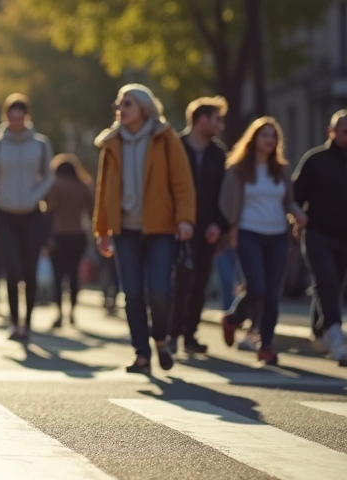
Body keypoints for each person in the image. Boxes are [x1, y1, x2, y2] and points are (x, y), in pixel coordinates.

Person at [94, 84, 195, 374]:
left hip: (160, 228)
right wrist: (102, 229)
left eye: (127, 104)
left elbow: (182, 182)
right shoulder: (111, 143)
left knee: (160, 292)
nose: (120, 109)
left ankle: (160, 340)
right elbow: (104, 191)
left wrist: (185, 218)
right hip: (124, 230)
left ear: (144, 107)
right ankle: (142, 354)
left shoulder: (165, 139)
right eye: (119, 104)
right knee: (133, 294)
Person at [219, 117, 307, 366]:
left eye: (273, 136)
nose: (269, 140)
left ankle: (265, 345)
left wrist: (298, 213)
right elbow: (227, 201)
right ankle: (233, 319)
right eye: (264, 135)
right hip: (248, 232)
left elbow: (288, 200)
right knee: (257, 287)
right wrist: (232, 228)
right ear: (254, 138)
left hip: (277, 234)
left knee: (272, 293)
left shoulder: (281, 168)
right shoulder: (239, 169)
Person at [0, 94, 54, 342]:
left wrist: (36, 195)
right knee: (12, 269)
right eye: (11, 117)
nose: (15, 122)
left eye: (19, 117)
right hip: (4, 215)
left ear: (26, 117)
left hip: (32, 215)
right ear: (6, 117)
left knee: (30, 270)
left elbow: (48, 177)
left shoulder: (41, 144)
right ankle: (14, 323)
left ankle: (28, 323)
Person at [167, 97, 230, 355]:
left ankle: (190, 336)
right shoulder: (175, 146)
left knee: (200, 283)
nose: (221, 125)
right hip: (176, 227)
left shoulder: (219, 153)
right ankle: (171, 334)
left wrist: (219, 224)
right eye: (217, 119)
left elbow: (224, 194)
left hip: (207, 230)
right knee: (178, 283)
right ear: (202, 120)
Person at [294, 110, 347, 364]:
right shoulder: (315, 160)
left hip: (344, 237)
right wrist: (297, 218)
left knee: (334, 285)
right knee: (326, 280)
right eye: (345, 130)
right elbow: (294, 197)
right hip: (317, 234)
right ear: (331, 131)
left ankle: (320, 330)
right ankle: (337, 336)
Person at [45, 154, 93, 329]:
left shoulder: (55, 185)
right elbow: (91, 211)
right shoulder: (83, 187)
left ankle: (59, 313)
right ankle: (72, 311)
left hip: (58, 236)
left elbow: (49, 210)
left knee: (58, 276)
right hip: (78, 236)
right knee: (73, 275)